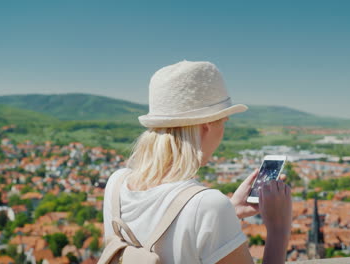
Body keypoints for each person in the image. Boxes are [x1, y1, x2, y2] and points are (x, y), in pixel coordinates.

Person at [102, 60, 292, 263]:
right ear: (208, 125)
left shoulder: (116, 183)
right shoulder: (209, 206)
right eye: (224, 122)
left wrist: (230, 211)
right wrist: (279, 229)